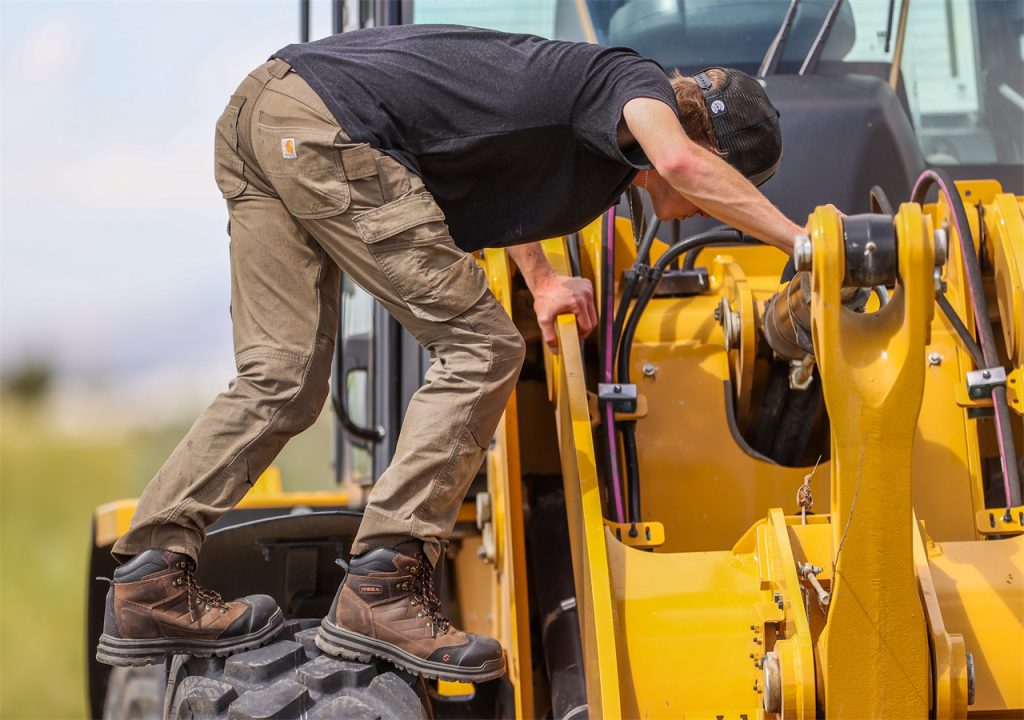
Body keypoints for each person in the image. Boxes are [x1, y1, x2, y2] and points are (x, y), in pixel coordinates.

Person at [96, 25, 804, 681]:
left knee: (281, 379)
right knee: (482, 347)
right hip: (326, 125)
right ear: (710, 145)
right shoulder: (634, 84)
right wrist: (800, 245)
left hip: (266, 111)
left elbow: (495, 197)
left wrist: (543, 278)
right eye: (730, 186)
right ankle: (381, 583)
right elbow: (677, 155)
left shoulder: (587, 153)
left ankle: (147, 580)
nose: (718, 210)